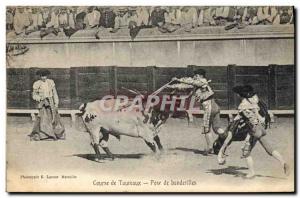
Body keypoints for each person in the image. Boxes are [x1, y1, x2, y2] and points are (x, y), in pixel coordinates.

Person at [217, 85, 290, 178]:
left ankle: (251, 173)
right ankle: (283, 162)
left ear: (240, 95)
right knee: (268, 148)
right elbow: (261, 119)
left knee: (246, 152)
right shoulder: (254, 103)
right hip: (261, 128)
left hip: (254, 130)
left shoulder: (242, 106)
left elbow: (240, 120)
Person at [172, 69, 225, 154]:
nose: (194, 76)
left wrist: (178, 79)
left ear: (200, 75)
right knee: (217, 128)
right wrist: (174, 85)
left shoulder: (202, 81)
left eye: (196, 75)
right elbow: (186, 85)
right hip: (215, 106)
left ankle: (210, 148)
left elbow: (192, 82)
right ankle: (224, 141)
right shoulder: (200, 83)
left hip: (209, 107)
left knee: (206, 129)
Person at [29, 69, 65, 141]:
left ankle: (56, 133)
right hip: (43, 102)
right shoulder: (37, 83)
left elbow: (54, 93)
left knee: (54, 117)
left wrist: (56, 103)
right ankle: (44, 135)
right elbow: (34, 95)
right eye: (42, 76)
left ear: (47, 76)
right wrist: (39, 98)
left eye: (45, 76)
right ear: (40, 76)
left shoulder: (50, 82)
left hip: (51, 101)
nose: (44, 77)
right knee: (43, 118)